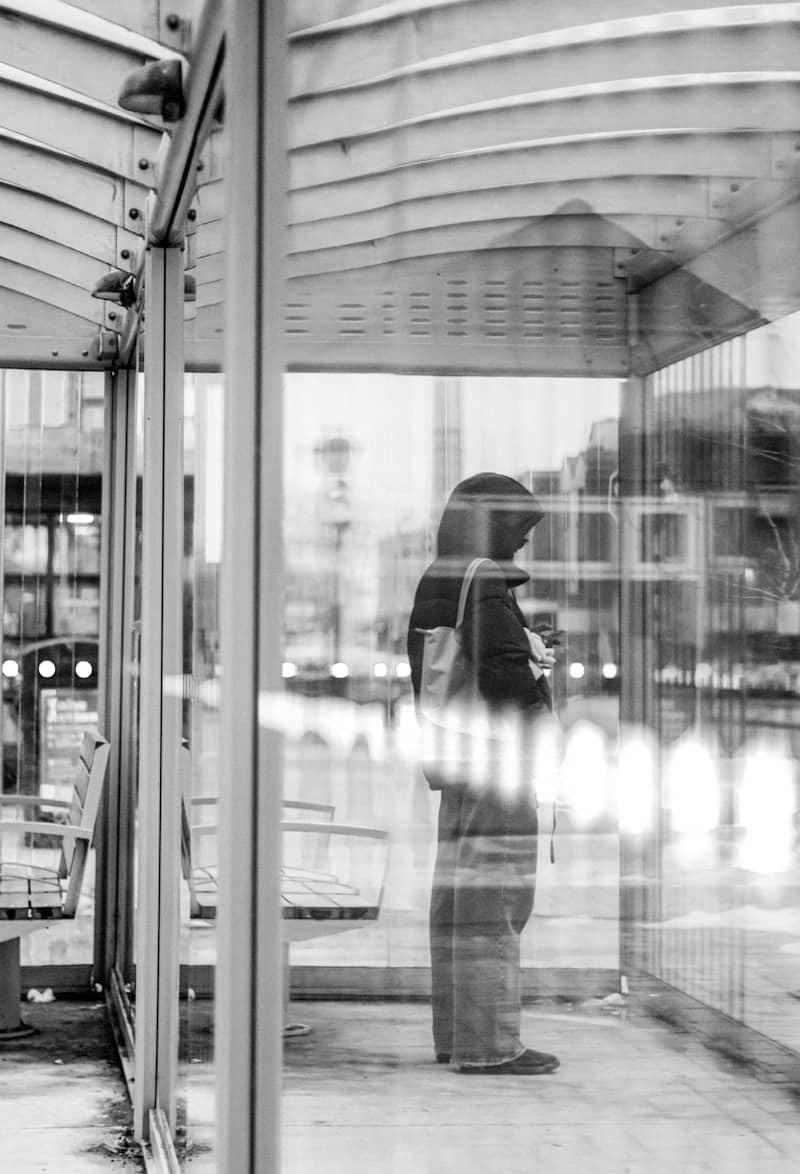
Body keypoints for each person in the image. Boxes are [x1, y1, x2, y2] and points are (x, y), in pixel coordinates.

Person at [407, 472, 560, 1074]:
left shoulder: (439, 576)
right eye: (517, 530)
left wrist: (521, 643)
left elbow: (446, 666)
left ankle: (458, 1036)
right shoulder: (485, 577)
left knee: (457, 901)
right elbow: (500, 677)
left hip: (458, 763)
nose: (521, 544)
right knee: (494, 900)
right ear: (492, 523)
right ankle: (492, 1044)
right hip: (499, 769)